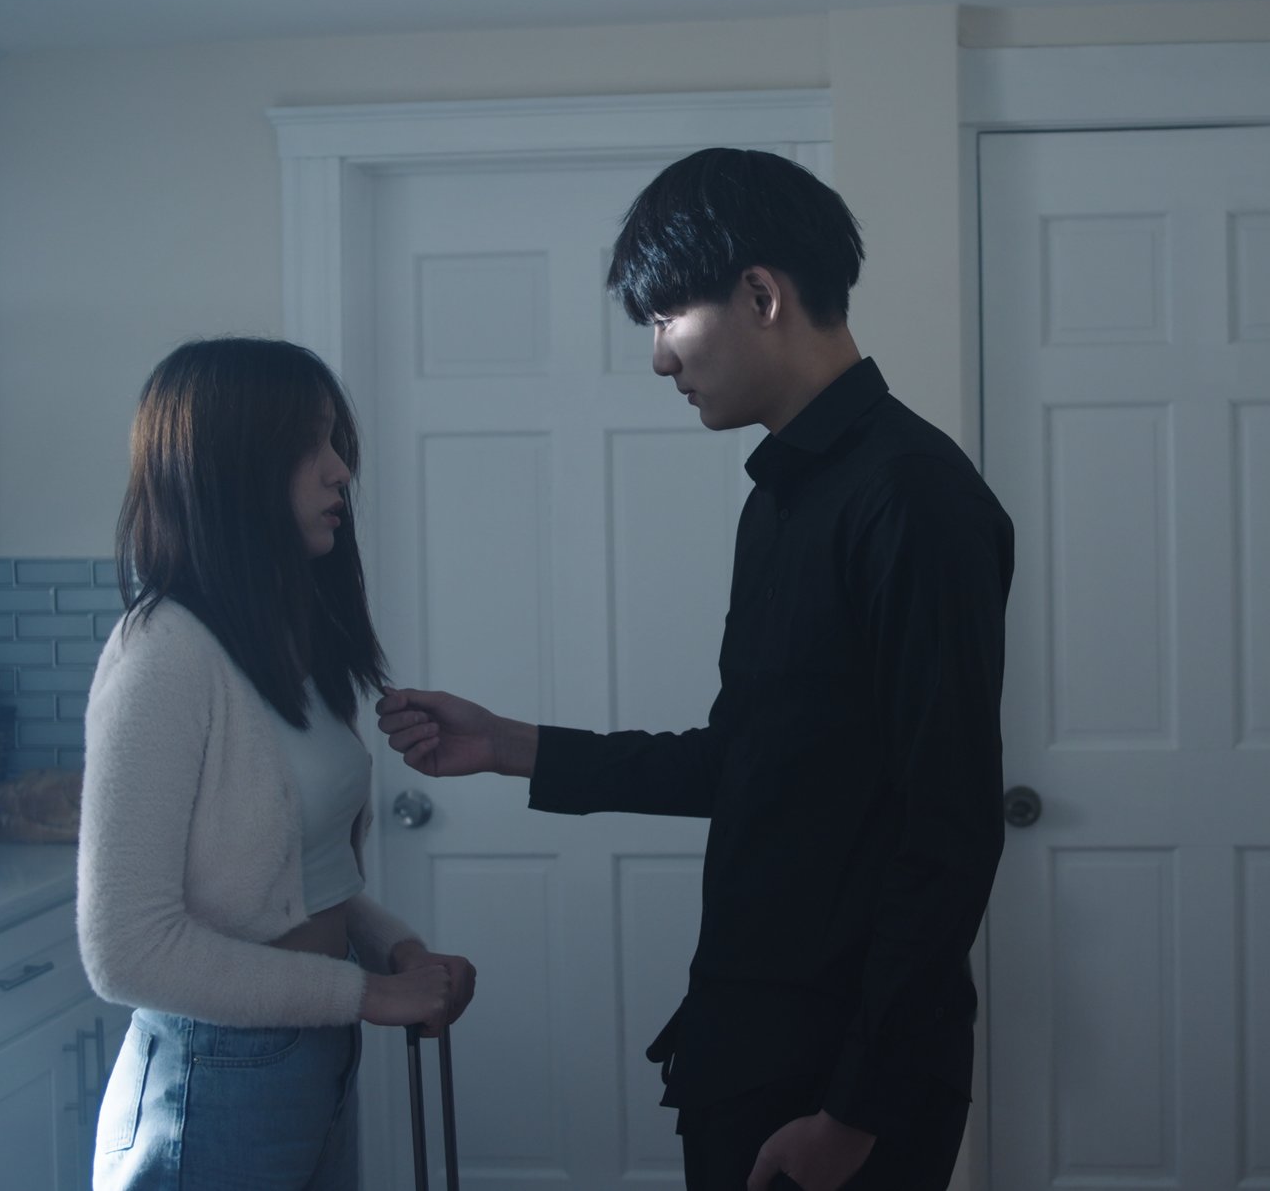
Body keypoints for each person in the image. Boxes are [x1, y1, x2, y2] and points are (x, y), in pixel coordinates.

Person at [377, 149, 1014, 1191]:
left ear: (761, 294)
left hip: (837, 1077)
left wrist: (851, 1112)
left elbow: (947, 827)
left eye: (668, 318)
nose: (662, 360)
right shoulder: (782, 499)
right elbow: (754, 763)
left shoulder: (911, 497)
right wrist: (513, 746)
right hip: (752, 1036)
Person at [79, 337, 476, 1189]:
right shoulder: (163, 656)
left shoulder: (281, 646)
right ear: (232, 469)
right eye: (313, 446)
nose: (341, 473)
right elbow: (125, 952)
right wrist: (369, 996)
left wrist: (398, 953)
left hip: (307, 1051)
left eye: (338, 444)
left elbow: (298, 877)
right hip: (214, 1072)